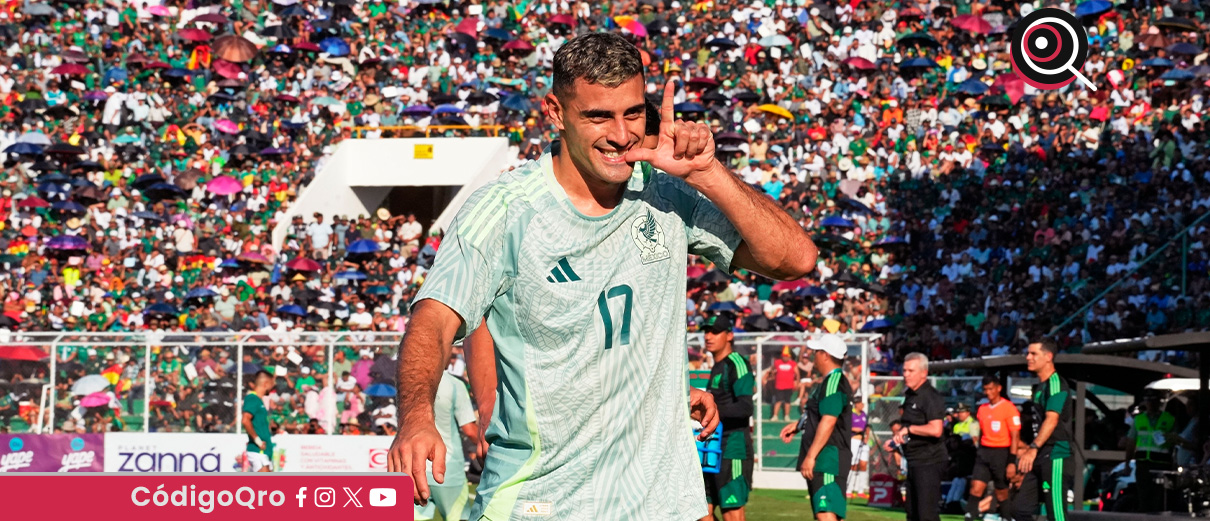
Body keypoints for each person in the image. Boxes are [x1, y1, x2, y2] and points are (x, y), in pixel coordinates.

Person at [389, 32, 816, 520]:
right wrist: (417, 417)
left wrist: (707, 172)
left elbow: (796, 260)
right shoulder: (506, 210)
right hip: (543, 502)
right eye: (598, 116)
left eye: (632, 113)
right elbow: (433, 321)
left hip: (660, 505)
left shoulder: (666, 193)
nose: (621, 134)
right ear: (556, 112)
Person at [779, 334, 851, 521]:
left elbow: (829, 420)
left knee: (825, 514)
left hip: (828, 458)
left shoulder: (833, 382)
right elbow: (818, 414)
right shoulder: (827, 381)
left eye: (817, 351)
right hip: (825, 458)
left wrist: (811, 457)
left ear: (825, 355)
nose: (813, 355)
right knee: (826, 513)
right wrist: (798, 425)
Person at [699, 312, 755, 521]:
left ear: (729, 335)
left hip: (733, 448)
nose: (708, 336)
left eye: (714, 332)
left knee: (731, 512)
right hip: (712, 447)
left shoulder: (736, 363)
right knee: (700, 511)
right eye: (706, 331)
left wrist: (710, 412)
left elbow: (745, 407)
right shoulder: (717, 366)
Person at [1016, 338, 1074, 521]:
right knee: (1019, 509)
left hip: (1055, 453)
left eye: (1033, 353)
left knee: (1056, 515)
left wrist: (1033, 448)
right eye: (1028, 353)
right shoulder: (1040, 386)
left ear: (1048, 357)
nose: (1028, 357)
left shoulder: (1055, 383)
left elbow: (1052, 419)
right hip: (1040, 453)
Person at [415, 370, 480, 521]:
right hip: (447, 468)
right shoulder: (454, 384)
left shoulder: (408, 380)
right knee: (458, 517)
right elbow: (470, 431)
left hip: (414, 466)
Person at [896, 352, 946, 521]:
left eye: (911, 371)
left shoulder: (930, 397)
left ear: (924, 373)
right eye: (904, 370)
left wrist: (909, 430)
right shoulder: (910, 395)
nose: (906, 375)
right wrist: (897, 439)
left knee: (926, 515)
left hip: (929, 461)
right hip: (913, 461)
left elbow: (936, 429)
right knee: (912, 513)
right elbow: (908, 426)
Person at [968, 374, 1020, 521]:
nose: (988, 392)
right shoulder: (982, 409)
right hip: (984, 452)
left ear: (998, 388)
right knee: (976, 487)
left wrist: (1011, 461)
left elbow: (1015, 436)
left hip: (1001, 453)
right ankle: (969, 515)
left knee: (1001, 491)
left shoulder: (1009, 408)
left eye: (991, 389)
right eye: (985, 389)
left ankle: (1006, 517)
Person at [1125, 393, 1176, 513]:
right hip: (1143, 464)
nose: (1151, 403)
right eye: (1148, 400)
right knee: (1143, 498)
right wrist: (1127, 464)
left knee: (1159, 499)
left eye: (1153, 400)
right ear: (1145, 402)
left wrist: (1175, 463)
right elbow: (1131, 443)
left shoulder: (1169, 419)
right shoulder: (1139, 419)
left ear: (1159, 402)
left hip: (1162, 465)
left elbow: (1176, 442)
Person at [240, 370, 275, 472]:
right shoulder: (252, 398)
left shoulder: (259, 400)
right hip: (258, 450)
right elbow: (245, 420)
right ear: (266, 384)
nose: (272, 388)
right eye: (272, 385)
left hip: (264, 451)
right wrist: (257, 440)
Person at [764, 347, 797, 421]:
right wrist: (772, 374)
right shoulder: (777, 362)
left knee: (787, 401)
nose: (785, 357)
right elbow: (772, 370)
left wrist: (797, 382)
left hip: (789, 385)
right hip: (779, 385)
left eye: (787, 356)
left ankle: (787, 416)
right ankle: (775, 416)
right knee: (778, 401)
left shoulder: (793, 363)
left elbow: (797, 373)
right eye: (784, 356)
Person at [848, 400, 870, 498]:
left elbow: (867, 427)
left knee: (863, 464)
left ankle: (861, 490)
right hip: (854, 440)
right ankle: (849, 489)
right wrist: (854, 429)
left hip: (863, 441)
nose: (862, 405)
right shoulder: (850, 414)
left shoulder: (864, 414)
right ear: (856, 404)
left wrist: (867, 437)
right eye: (860, 403)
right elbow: (845, 426)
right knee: (853, 464)